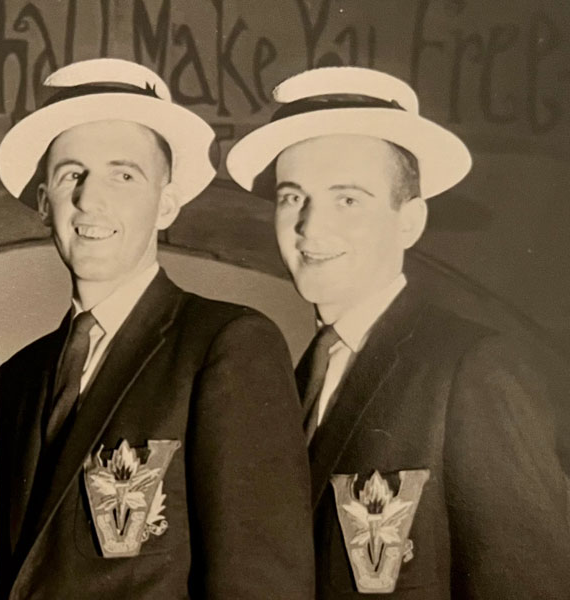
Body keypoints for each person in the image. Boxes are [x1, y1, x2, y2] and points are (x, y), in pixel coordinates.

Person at [227, 65, 570, 598]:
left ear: (409, 221)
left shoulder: (471, 369)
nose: (310, 227)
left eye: (347, 199)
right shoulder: (298, 377)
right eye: (293, 197)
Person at [0, 58, 314, 599]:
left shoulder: (226, 345)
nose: (90, 200)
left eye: (124, 175)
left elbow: (261, 583)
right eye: (72, 174)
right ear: (44, 203)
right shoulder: (15, 376)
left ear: (167, 204)